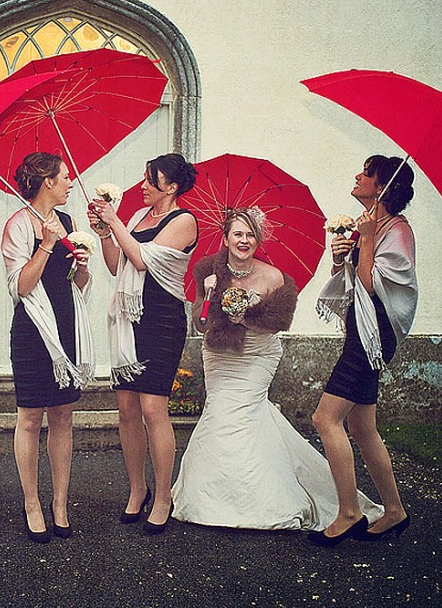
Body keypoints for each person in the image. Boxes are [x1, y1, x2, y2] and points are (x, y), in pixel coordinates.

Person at [170, 208, 384, 530]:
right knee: (219, 412)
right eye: (238, 234)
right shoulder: (207, 270)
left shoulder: (275, 277)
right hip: (220, 356)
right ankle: (215, 495)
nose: (244, 240)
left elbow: (279, 322)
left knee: (244, 411)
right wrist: (210, 294)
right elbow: (200, 322)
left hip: (257, 356)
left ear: (258, 240)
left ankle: (264, 498)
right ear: (226, 238)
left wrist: (245, 317)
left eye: (250, 235)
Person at [309, 155, 418, 547]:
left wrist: (367, 239)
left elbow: (375, 289)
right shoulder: (373, 226)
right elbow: (355, 282)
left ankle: (349, 511)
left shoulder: (397, 232)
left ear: (383, 187)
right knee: (360, 426)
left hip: (372, 338)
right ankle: (394, 511)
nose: (357, 176)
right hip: (361, 332)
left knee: (325, 419)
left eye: (367, 174)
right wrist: (342, 258)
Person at [88, 153, 198, 535]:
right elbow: (116, 263)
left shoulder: (184, 221)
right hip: (129, 320)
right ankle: (138, 489)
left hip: (162, 321)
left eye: (152, 179)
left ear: (172, 186)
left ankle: (164, 495)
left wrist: (113, 220)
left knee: (154, 409)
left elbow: (142, 261)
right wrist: (105, 233)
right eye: (145, 177)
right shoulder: (136, 218)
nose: (144, 185)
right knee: (126, 409)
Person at [1, 152, 94, 543]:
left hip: (65, 328)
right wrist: (46, 245)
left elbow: (78, 283)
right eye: (65, 176)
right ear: (48, 183)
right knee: (29, 419)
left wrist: (83, 265)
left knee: (62, 417)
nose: (71, 181)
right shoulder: (18, 225)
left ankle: (59, 504)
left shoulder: (70, 223)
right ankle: (32, 504)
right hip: (32, 332)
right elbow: (20, 287)